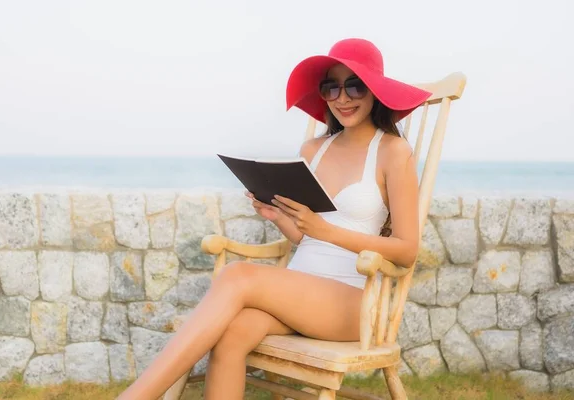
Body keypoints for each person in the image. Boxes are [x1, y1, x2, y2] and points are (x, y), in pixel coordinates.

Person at [117, 38, 432, 400]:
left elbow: (406, 251)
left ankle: (137, 396)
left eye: (355, 85)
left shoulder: (392, 151)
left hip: (352, 303)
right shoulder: (313, 149)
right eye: (331, 86)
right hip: (301, 292)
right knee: (233, 334)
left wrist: (327, 231)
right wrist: (279, 218)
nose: (342, 98)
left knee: (237, 274)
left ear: (375, 90)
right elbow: (307, 239)